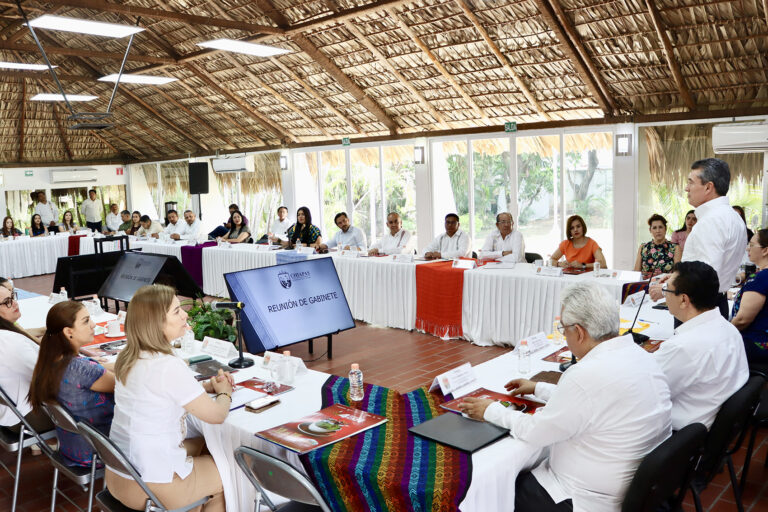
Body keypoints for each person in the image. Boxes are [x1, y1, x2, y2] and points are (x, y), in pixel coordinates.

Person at [460, 282, 671, 512]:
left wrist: (490, 410)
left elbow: (536, 431)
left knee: (498, 490)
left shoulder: (584, 376)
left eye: (564, 330)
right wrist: (538, 388)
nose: (564, 337)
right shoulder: (641, 356)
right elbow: (591, 400)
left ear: (579, 332)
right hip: (635, 488)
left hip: (583, 498)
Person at [107, 285, 230, 511]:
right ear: (156, 323)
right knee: (230, 474)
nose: (185, 314)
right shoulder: (167, 365)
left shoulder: (127, 356)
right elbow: (216, 415)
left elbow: (156, 391)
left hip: (120, 475)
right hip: (150, 485)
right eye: (176, 311)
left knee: (203, 445)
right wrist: (225, 392)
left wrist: (203, 388)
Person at [654, 261, 748, 430]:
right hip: (715, 424)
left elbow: (646, 390)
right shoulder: (729, 329)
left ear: (683, 299)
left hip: (684, 435)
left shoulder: (682, 347)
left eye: (666, 290)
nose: (665, 295)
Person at [650, 159, 747, 319]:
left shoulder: (711, 221)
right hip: (717, 302)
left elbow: (703, 277)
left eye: (691, 182)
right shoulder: (734, 218)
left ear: (708, 187)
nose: (686, 188)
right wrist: (676, 276)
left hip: (698, 308)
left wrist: (665, 288)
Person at [28, 301, 116, 466]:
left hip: (72, 448)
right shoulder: (83, 370)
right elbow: (125, 384)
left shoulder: (51, 359)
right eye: (86, 321)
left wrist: (101, 365)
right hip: (101, 450)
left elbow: (94, 371)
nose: (93, 325)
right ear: (68, 332)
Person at [0, 284, 53, 433]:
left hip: (9, 413)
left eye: (12, 297)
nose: (15, 303)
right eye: (7, 302)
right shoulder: (10, 341)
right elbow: (49, 377)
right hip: (26, 418)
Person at [731, 229, 768, 365]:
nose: (747, 248)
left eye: (752, 245)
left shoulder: (760, 278)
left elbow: (742, 320)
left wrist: (724, 333)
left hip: (755, 345)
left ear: (765, 250)